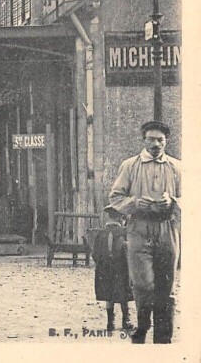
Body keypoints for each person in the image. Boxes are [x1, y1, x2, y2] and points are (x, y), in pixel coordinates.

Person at [107, 121, 180, 344]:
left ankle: (163, 336)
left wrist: (173, 200)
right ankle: (143, 326)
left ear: (167, 141)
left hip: (167, 229)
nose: (156, 144)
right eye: (151, 139)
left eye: (160, 140)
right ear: (143, 140)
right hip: (138, 229)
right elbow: (115, 198)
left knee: (166, 283)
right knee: (143, 283)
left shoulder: (177, 167)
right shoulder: (130, 166)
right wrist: (137, 203)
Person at [92, 205, 134, 332]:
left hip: (105, 269)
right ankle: (126, 321)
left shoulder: (101, 233)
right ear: (121, 219)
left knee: (108, 294)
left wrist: (101, 264)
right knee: (124, 294)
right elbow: (130, 251)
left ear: (109, 218)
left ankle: (110, 322)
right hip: (121, 268)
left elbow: (95, 254)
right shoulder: (125, 232)